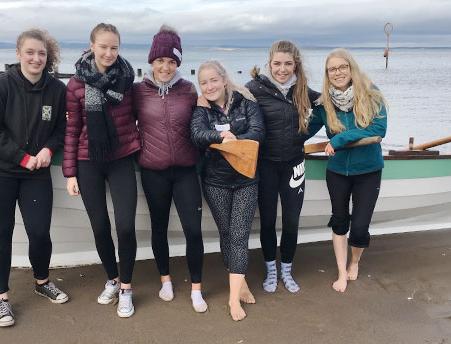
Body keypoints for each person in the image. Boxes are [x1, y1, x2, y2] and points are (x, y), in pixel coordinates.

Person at [0, 28, 68, 327]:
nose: (36, 58)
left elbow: (60, 130)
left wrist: (48, 150)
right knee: (1, 233)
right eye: (30, 52)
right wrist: (22, 157)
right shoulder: (1, 86)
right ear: (18, 54)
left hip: (35, 175)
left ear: (48, 56)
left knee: (40, 232)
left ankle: (42, 282)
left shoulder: (56, 89)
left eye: (41, 53)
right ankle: (1, 298)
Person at [63, 23, 140, 317]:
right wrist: (70, 173)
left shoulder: (127, 79)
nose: (109, 53)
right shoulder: (75, 85)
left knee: (125, 226)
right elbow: (71, 130)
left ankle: (127, 289)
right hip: (87, 162)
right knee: (99, 227)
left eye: (114, 47)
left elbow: (139, 116)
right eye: (103, 46)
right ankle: (113, 279)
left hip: (121, 159)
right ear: (92, 45)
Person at [132, 25, 207, 312]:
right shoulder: (138, 91)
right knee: (159, 228)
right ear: (151, 61)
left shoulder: (189, 90)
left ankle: (197, 288)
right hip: (153, 172)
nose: (165, 67)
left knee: (193, 230)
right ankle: (165, 280)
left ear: (178, 64)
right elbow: (120, 121)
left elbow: (207, 118)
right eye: (160, 60)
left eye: (172, 61)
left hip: (186, 171)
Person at [307, 48, 388, 293]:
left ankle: (355, 263)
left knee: (360, 227)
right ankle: (342, 272)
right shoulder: (323, 103)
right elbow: (303, 131)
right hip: (338, 172)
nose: (338, 72)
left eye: (343, 67)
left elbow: (378, 130)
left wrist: (339, 140)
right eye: (332, 69)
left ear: (351, 68)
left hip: (369, 170)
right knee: (340, 222)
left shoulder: (371, 94)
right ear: (327, 74)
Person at [190, 60, 264, 321]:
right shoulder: (201, 108)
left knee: (240, 235)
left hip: (246, 179)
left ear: (223, 79)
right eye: (203, 82)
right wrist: (222, 138)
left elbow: (258, 131)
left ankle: (233, 300)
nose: (209, 86)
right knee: (227, 233)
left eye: (213, 80)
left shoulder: (245, 100)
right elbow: (197, 134)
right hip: (216, 181)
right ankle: (239, 282)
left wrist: (234, 138)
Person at [245, 40, 319, 294]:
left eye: (288, 64)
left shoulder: (303, 90)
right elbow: (228, 104)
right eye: (277, 63)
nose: (282, 69)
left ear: (295, 65)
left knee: (291, 221)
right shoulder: (254, 88)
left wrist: (314, 136)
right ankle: (271, 270)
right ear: (269, 63)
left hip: (294, 165)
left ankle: (286, 269)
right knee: (267, 221)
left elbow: (330, 105)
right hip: (265, 165)